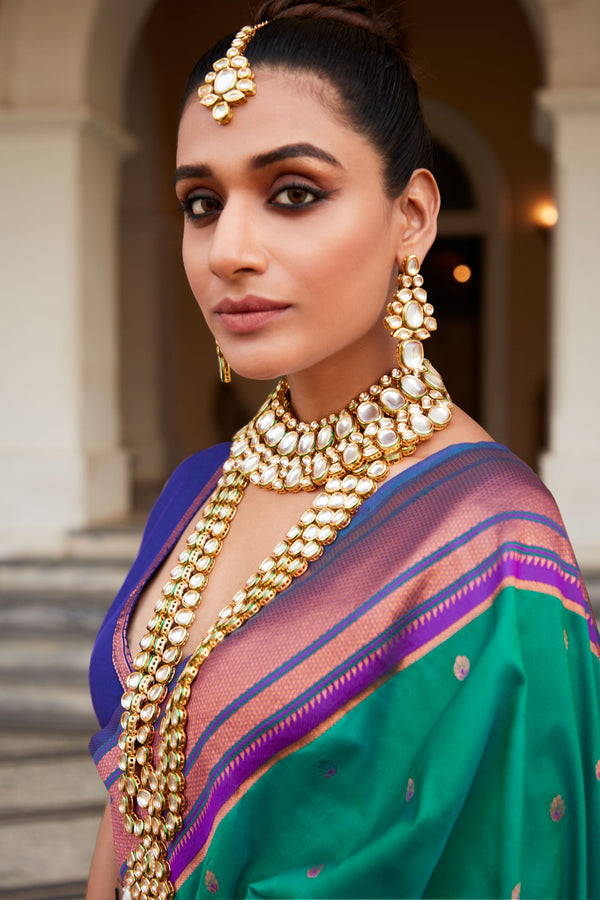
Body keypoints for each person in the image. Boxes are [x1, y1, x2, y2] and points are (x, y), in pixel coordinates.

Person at [86, 2, 600, 898]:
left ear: (412, 215)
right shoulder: (195, 492)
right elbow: (130, 808)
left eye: (293, 193)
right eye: (201, 204)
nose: (229, 251)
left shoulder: (495, 544)